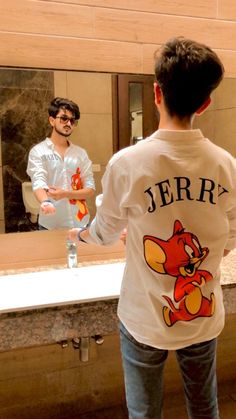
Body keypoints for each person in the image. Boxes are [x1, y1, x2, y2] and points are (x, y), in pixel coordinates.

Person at [68, 37, 236, 418]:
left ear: (156, 92)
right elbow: (231, 235)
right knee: (204, 407)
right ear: (205, 103)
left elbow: (105, 232)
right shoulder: (226, 165)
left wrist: (80, 235)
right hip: (202, 318)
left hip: (144, 318)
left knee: (144, 414)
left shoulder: (127, 163)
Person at [27, 97, 95, 230]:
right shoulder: (38, 152)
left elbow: (90, 189)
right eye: (64, 118)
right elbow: (38, 181)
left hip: (81, 223)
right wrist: (45, 202)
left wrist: (65, 194)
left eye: (72, 120)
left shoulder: (81, 154)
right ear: (52, 120)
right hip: (51, 225)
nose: (68, 123)